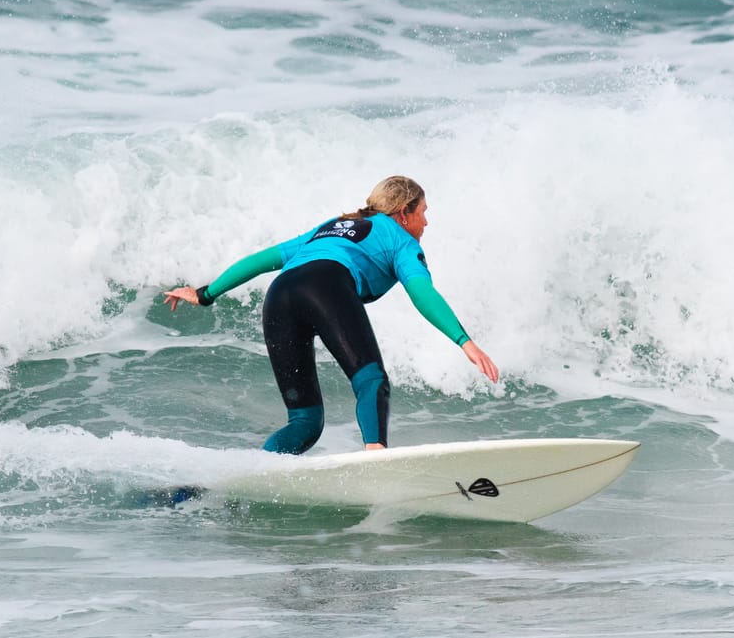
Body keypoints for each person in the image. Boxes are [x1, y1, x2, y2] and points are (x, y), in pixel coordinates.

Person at [164, 175, 499, 453]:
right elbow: (422, 293)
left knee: (305, 422)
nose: (427, 221)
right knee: (372, 381)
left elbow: (263, 259)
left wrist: (206, 294)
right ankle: (376, 461)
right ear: (402, 213)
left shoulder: (334, 226)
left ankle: (256, 476)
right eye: (423, 211)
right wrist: (464, 341)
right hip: (325, 286)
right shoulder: (401, 240)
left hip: (279, 296)